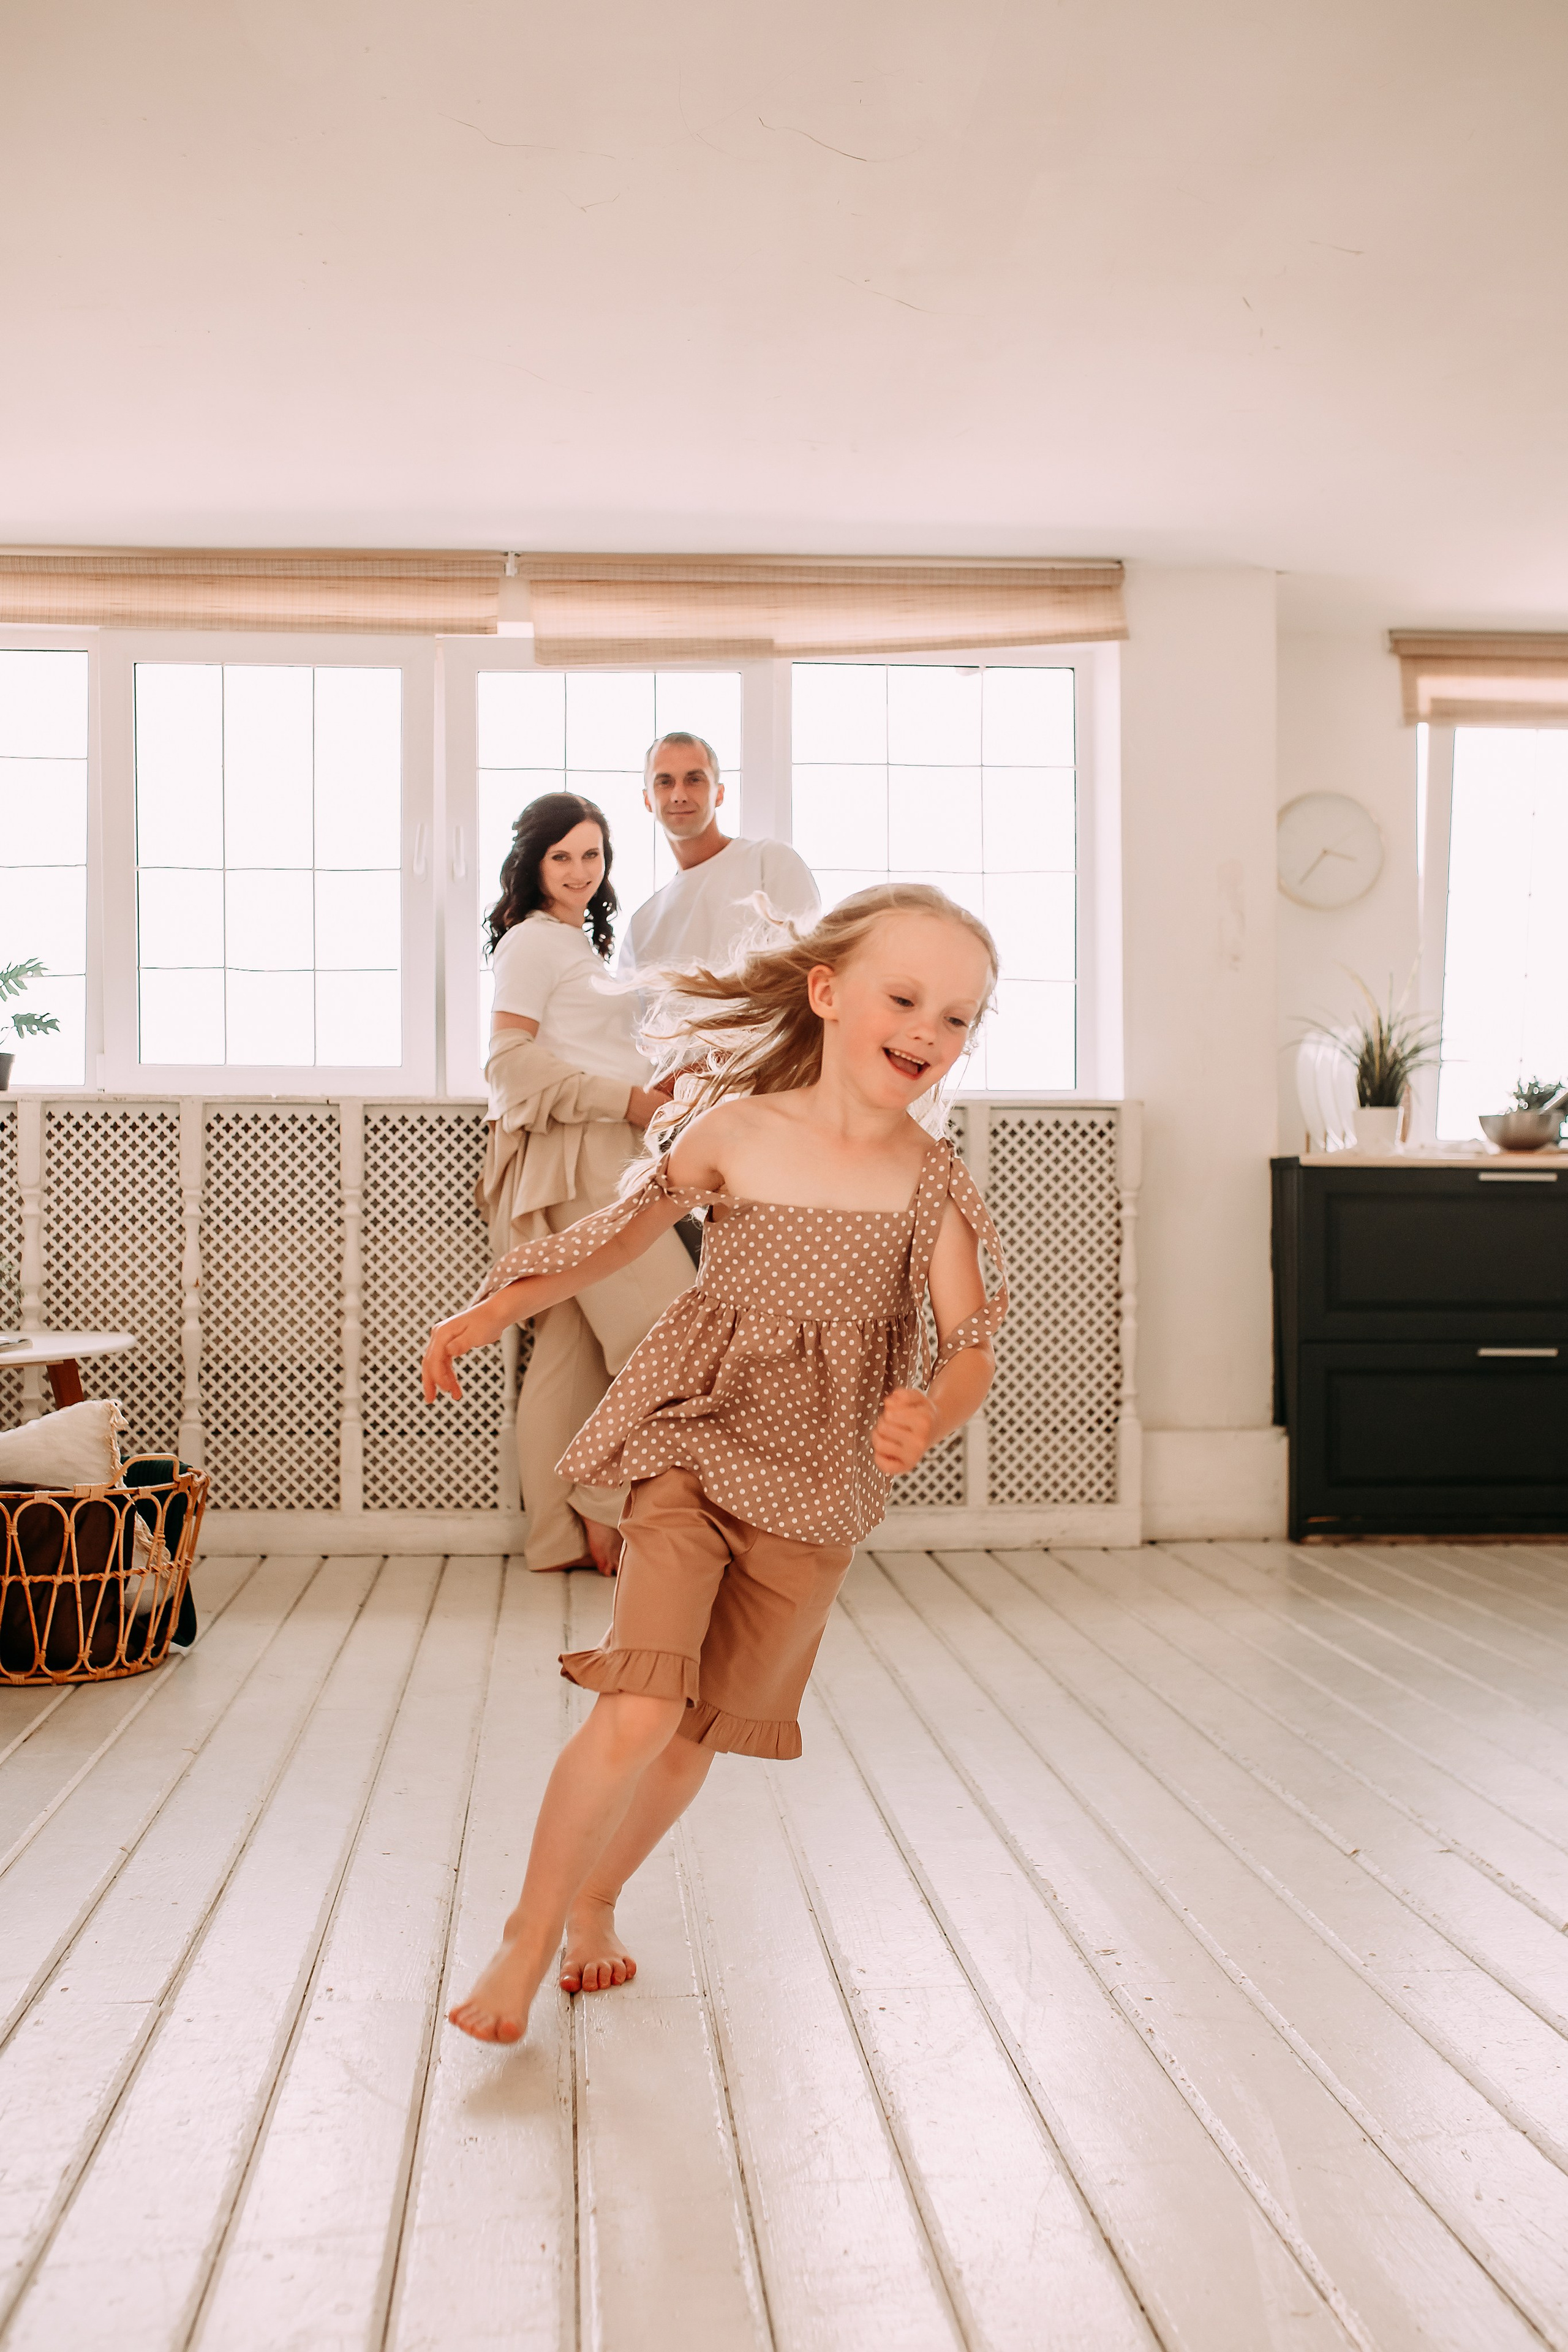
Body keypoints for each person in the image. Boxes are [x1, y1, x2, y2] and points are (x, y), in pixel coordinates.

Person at [424, 884, 1007, 2044]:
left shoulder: (931, 1180)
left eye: (959, 1018)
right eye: (907, 1000)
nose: (930, 1034)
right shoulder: (735, 1132)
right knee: (641, 1708)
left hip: (819, 1485)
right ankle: (528, 1934)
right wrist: (493, 1309)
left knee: (694, 1737)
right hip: (697, 1439)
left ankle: (597, 1900)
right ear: (831, 995)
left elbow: (973, 1340)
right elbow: (616, 1237)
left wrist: (927, 1415)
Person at [477, 791, 695, 1576]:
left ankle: (557, 1540)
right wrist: (627, 1099)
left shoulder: (574, 948)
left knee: (568, 1354)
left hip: (600, 1153)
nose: (578, 870)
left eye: (592, 855)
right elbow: (507, 1064)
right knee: (667, 1330)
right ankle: (607, 1510)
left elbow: (588, 1048)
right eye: (561, 855)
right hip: (582, 1159)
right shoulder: (534, 943)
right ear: (534, 863)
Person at [617, 731, 820, 981]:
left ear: (719, 794)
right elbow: (635, 1017)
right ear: (648, 800)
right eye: (665, 782)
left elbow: (805, 976)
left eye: (694, 780)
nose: (679, 795)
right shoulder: (643, 926)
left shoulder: (771, 863)